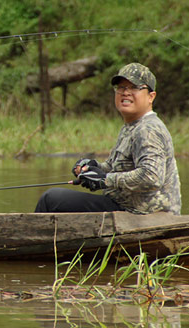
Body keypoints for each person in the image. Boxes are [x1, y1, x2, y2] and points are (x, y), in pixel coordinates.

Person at [35, 62, 181, 214]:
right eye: (121, 88)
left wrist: (105, 179)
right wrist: (93, 167)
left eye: (134, 87)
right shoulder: (131, 127)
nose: (125, 92)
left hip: (142, 214)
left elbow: (151, 177)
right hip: (123, 207)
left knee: (50, 199)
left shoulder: (148, 129)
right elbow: (115, 167)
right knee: (55, 199)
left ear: (151, 96)